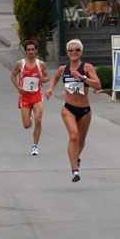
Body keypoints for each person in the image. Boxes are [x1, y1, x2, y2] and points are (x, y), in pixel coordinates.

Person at [45, 39, 101, 182]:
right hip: (68, 108)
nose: (74, 52)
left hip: (85, 110)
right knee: (74, 136)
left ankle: (76, 158)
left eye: (77, 50)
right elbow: (55, 77)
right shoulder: (63, 69)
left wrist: (83, 77)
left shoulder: (87, 67)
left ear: (81, 52)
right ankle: (74, 170)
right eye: (71, 50)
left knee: (81, 142)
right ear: (67, 52)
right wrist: (50, 89)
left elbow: (98, 85)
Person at [11, 40, 49, 155]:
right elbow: (13, 76)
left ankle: (35, 146)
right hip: (25, 97)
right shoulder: (20, 64)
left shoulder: (41, 64)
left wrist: (44, 79)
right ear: (25, 51)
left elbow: (47, 76)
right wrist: (18, 86)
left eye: (33, 49)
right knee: (26, 125)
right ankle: (30, 117)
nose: (31, 51)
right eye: (29, 50)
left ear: (36, 50)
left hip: (37, 95)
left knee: (39, 120)